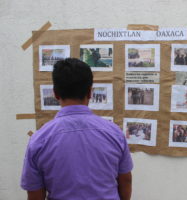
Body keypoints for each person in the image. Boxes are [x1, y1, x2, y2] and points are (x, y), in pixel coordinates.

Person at [21, 58, 133, 200]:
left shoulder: (39, 139)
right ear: (90, 92)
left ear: (55, 94)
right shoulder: (114, 132)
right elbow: (126, 180)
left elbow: (35, 194)